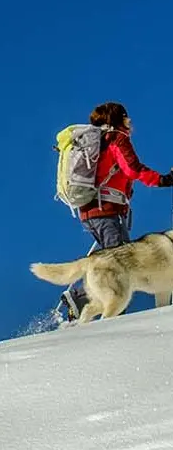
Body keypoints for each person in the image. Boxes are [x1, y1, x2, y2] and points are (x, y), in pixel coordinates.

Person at [60, 102, 173, 321]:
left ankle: (87, 303)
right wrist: (164, 180)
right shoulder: (117, 139)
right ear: (117, 118)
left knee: (117, 261)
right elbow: (133, 169)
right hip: (106, 210)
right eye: (125, 116)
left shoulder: (98, 142)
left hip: (91, 210)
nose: (129, 120)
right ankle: (80, 298)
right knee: (121, 264)